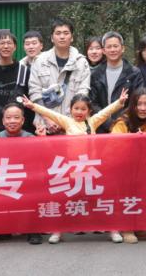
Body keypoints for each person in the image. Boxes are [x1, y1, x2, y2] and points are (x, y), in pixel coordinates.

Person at [20, 89, 129, 245]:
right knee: (64, 201)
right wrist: (33, 106)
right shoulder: (67, 122)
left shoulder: (92, 121)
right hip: (72, 169)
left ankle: (113, 230)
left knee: (102, 200)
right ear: (70, 109)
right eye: (76, 108)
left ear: (89, 111)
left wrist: (119, 102)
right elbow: (51, 113)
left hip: (91, 169)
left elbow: (106, 112)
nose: (79, 112)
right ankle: (57, 231)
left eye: (83, 109)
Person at [110, 88, 146, 244]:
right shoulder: (122, 122)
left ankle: (138, 226)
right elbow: (113, 145)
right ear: (132, 105)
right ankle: (127, 228)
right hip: (125, 167)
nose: (143, 108)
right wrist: (133, 142)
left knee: (143, 197)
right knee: (128, 196)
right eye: (139, 104)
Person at [28, 18, 91, 133]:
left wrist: (67, 122)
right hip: (44, 127)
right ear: (52, 38)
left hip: (72, 126)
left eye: (66, 33)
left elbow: (83, 93)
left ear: (72, 37)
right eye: (58, 33)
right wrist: (48, 119)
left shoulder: (81, 63)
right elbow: (35, 93)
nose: (62, 37)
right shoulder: (39, 61)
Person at [0, 103, 42, 245]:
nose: (12, 121)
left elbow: (38, 163)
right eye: (8, 118)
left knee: (34, 193)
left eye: (16, 117)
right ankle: (6, 228)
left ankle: (34, 230)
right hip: (4, 180)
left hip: (26, 180)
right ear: (3, 121)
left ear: (22, 120)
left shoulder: (31, 138)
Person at [90, 31, 145, 131]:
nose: (112, 50)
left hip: (126, 127)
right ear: (104, 50)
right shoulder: (95, 74)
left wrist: (119, 122)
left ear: (122, 48)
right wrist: (108, 123)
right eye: (109, 47)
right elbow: (92, 103)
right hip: (100, 127)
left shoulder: (134, 73)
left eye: (115, 46)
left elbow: (137, 100)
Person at [17, 30, 44, 133]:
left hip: (44, 108)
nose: (31, 47)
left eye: (34, 43)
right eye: (27, 44)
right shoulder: (21, 66)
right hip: (26, 111)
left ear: (41, 46)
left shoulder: (48, 63)